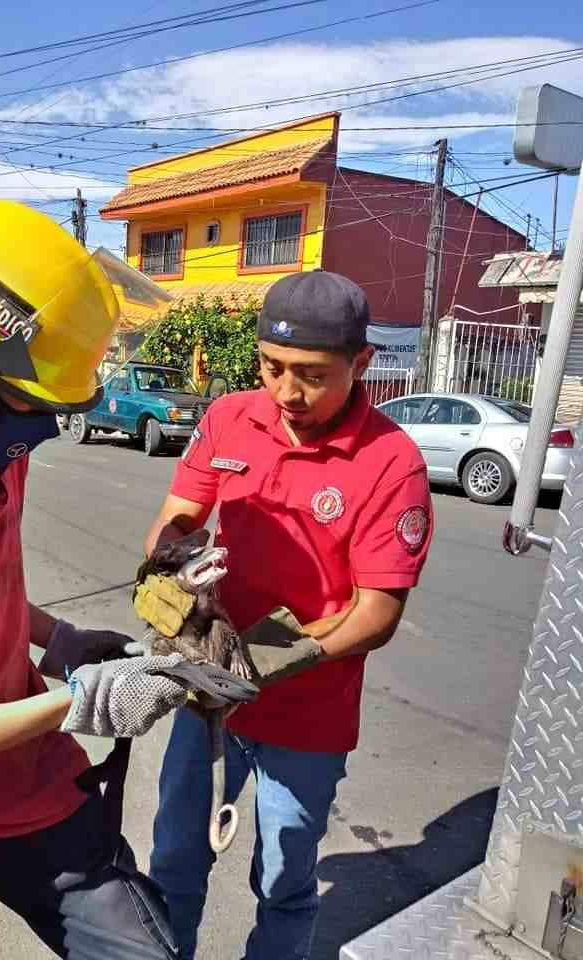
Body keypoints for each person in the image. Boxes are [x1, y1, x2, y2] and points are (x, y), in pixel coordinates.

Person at [0, 200, 255, 960]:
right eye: (33, 408)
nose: (43, 430)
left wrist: (58, 636)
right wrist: (77, 703)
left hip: (22, 781)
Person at [142, 270, 434, 960]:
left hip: (308, 720)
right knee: (174, 863)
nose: (286, 393)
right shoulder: (228, 417)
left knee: (283, 883)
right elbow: (176, 517)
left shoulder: (393, 463)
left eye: (311, 375)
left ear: (361, 364)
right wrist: (171, 571)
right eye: (271, 368)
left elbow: (376, 613)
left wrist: (261, 663)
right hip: (205, 699)